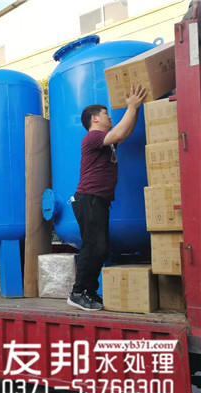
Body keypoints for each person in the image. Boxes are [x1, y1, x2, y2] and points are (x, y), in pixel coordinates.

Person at [67, 84, 147, 312]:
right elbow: (120, 132)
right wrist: (131, 106)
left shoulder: (105, 141)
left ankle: (89, 292)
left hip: (98, 200)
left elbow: (125, 132)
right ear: (94, 119)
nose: (110, 117)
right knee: (93, 246)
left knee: (100, 248)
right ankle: (78, 293)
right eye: (105, 114)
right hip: (88, 198)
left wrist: (135, 109)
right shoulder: (92, 137)